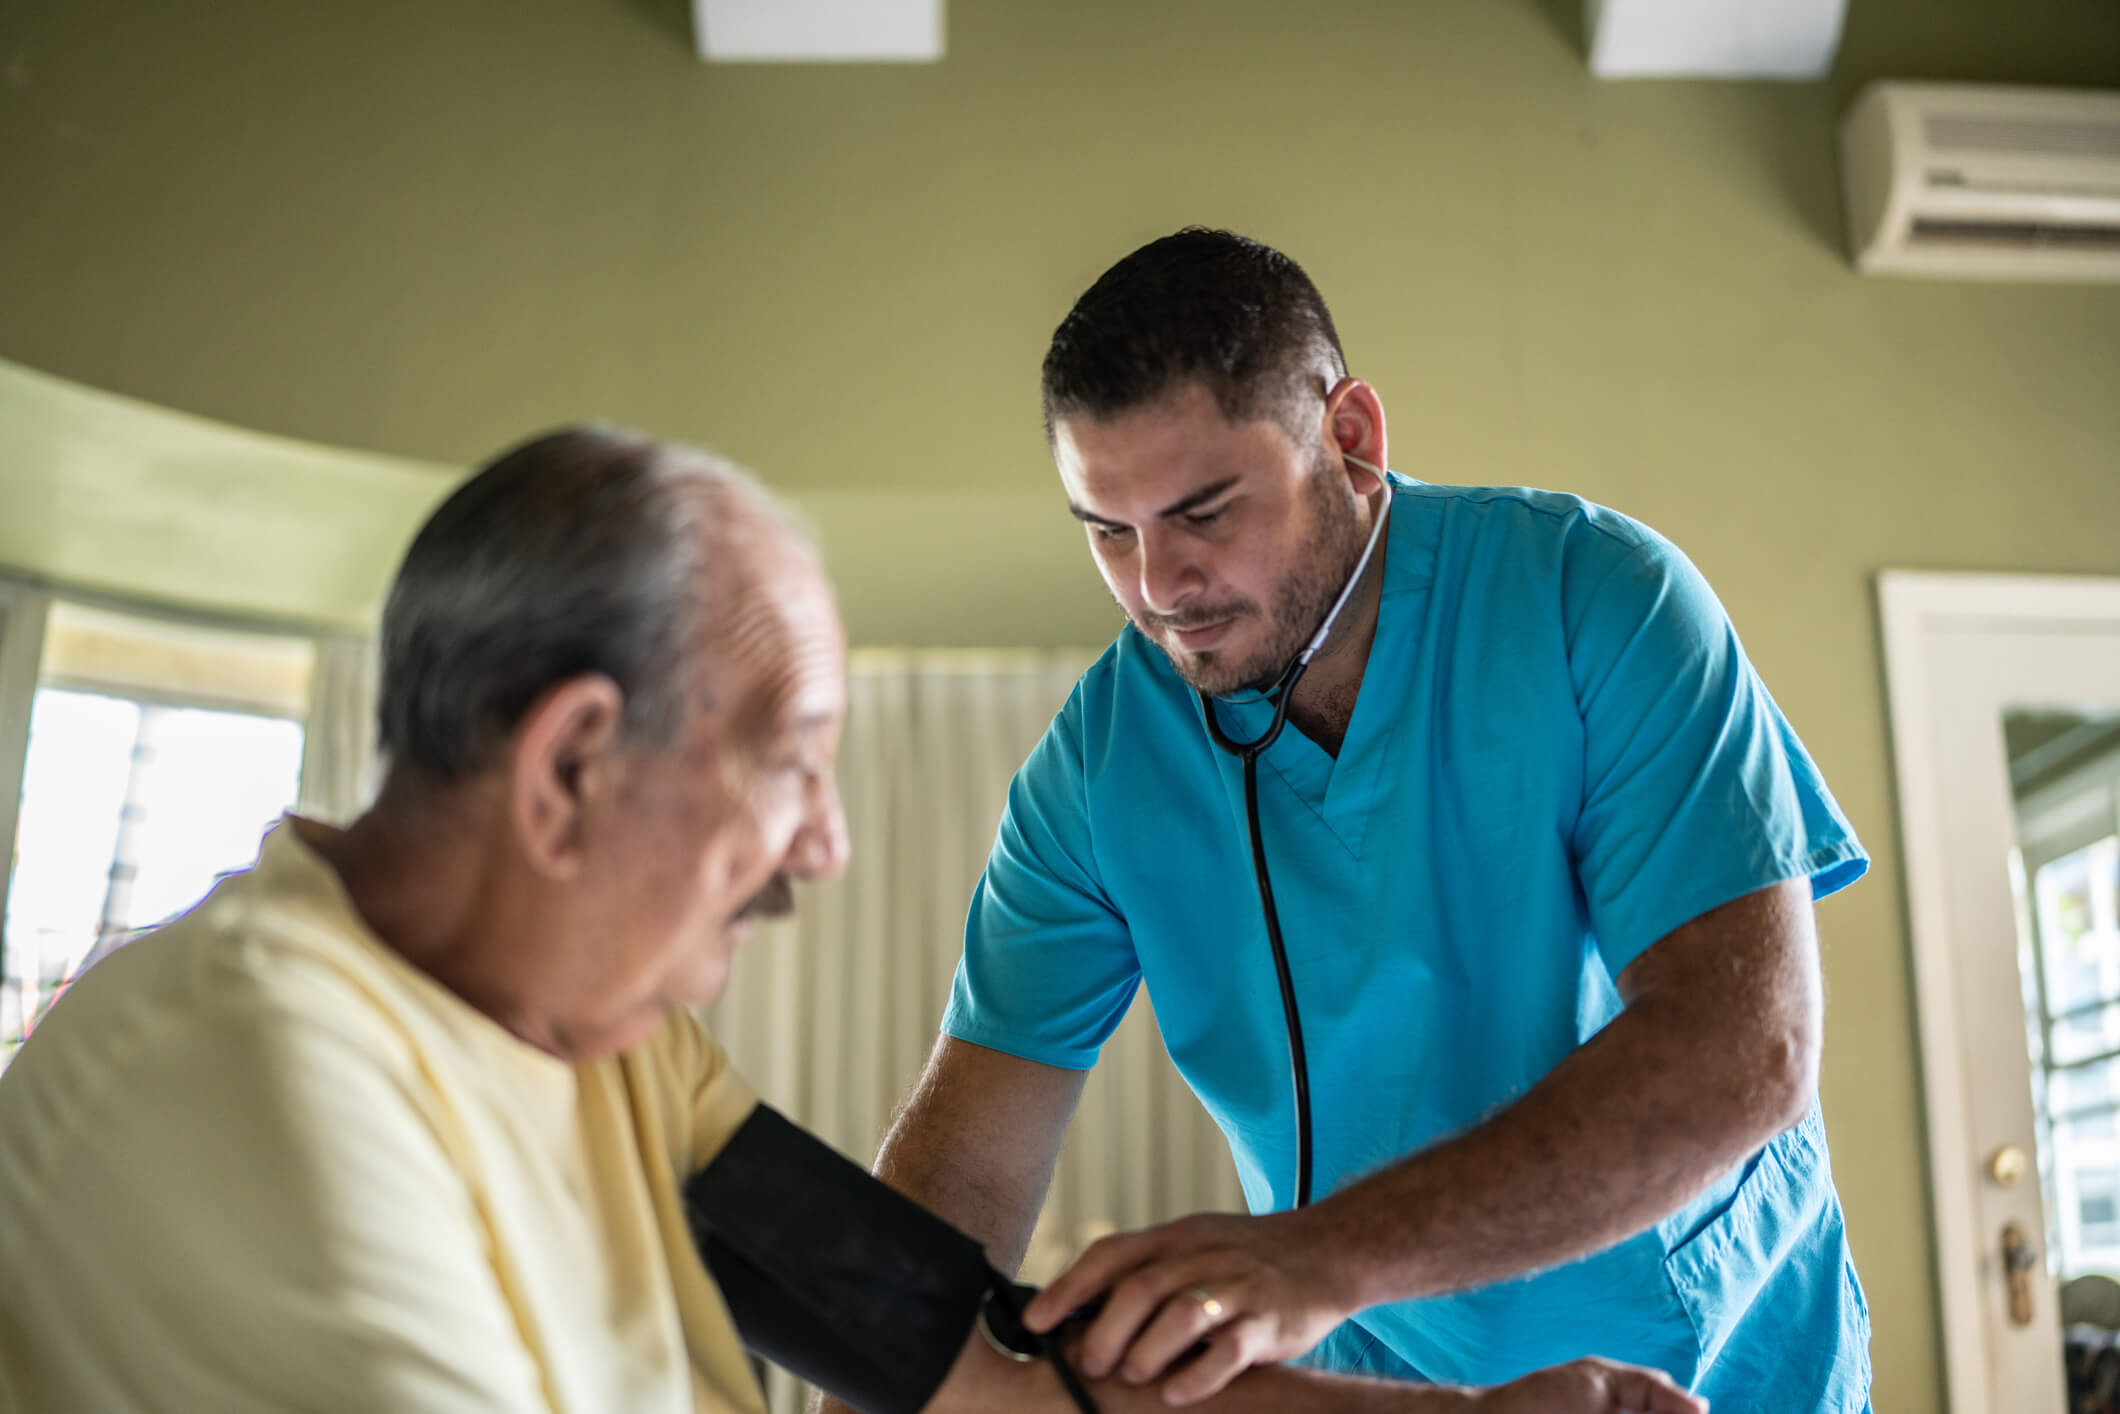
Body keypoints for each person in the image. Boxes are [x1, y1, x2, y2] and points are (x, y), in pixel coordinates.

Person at [0, 427, 1702, 1414]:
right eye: (793, 764)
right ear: (573, 763)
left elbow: (957, 1337)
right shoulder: (262, 1082)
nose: (823, 840)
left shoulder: (591, 1037)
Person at [855, 229, 1873, 1414]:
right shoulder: (1098, 769)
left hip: (1706, 1360)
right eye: (1106, 531)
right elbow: (969, 1155)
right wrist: (864, 1384)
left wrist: (1317, 1257)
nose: (1158, 587)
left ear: (1348, 438)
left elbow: (1742, 1049)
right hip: (1380, 1383)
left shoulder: (1592, 598)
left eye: (1202, 512)